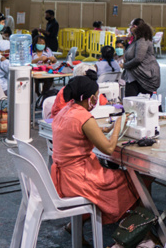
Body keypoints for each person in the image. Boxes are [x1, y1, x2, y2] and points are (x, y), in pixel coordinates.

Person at [50, 76, 139, 225]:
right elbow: (109, 149)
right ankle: (135, 228)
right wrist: (119, 124)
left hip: (62, 178)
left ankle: (77, 225)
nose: (97, 100)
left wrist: (105, 128)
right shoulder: (83, 117)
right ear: (90, 98)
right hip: (79, 181)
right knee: (135, 181)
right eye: (97, 97)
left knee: (119, 175)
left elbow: (79, 132)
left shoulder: (65, 111)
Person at [122, 22, 161, 97]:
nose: (130, 29)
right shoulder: (137, 40)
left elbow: (138, 59)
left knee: (137, 103)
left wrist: (125, 65)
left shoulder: (142, 41)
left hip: (143, 75)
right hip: (135, 75)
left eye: (132, 26)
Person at [32, 34, 59, 99]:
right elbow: (28, 62)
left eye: (43, 43)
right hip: (35, 73)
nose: (42, 45)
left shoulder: (47, 50)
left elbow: (55, 61)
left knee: (50, 78)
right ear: (35, 43)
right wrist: (39, 59)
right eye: (40, 43)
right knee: (35, 80)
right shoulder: (31, 51)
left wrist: (53, 59)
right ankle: (38, 94)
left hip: (46, 72)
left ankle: (43, 94)